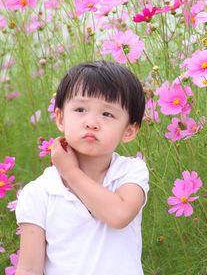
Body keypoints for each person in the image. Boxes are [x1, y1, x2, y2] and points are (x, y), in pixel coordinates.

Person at [15, 61, 149, 275]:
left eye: (107, 114)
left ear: (129, 131)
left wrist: (71, 172)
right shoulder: (39, 192)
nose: (91, 122)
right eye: (80, 109)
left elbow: (119, 215)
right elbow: (29, 270)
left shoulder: (130, 172)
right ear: (60, 118)